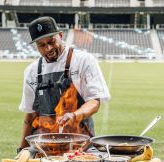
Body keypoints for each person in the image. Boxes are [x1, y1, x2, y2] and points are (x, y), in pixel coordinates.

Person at [17, 16, 110, 152]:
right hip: (44, 146)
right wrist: (22, 149)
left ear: (60, 35)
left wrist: (75, 115)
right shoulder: (31, 72)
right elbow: (31, 115)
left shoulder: (84, 61)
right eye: (41, 45)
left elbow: (94, 102)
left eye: (51, 41)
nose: (48, 48)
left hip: (80, 143)